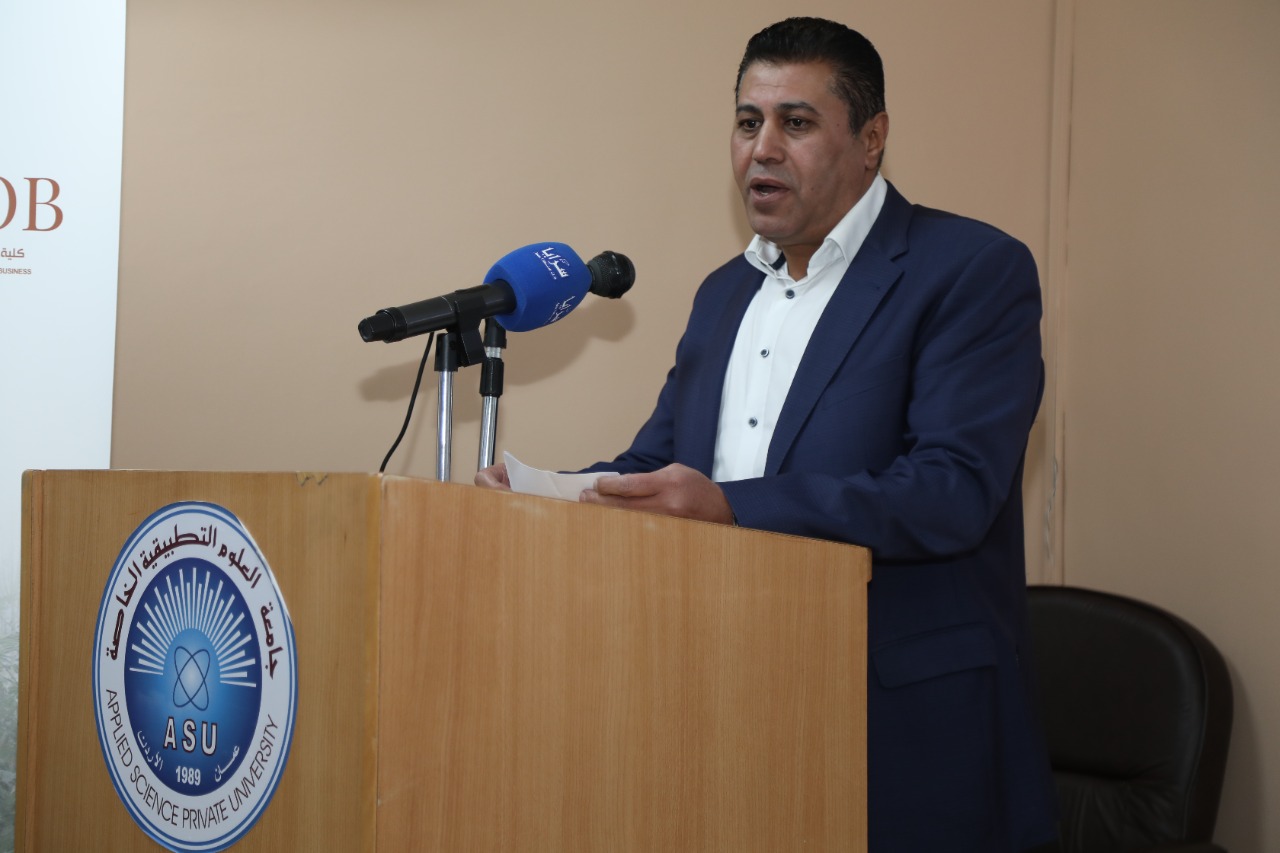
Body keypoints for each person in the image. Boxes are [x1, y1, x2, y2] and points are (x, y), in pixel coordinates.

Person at [477, 17, 1058, 853]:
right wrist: (544, 492)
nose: (764, 148)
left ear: (871, 139)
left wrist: (732, 508)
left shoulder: (968, 269)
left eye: (797, 122)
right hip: (725, 712)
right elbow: (660, 466)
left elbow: (950, 492)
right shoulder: (724, 293)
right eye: (748, 122)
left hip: (901, 731)